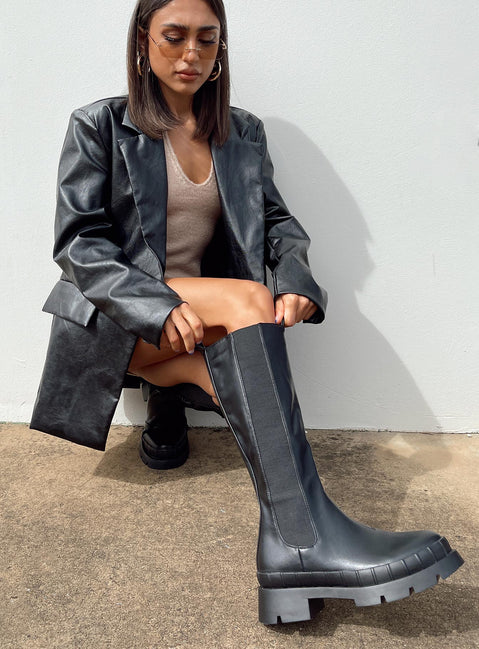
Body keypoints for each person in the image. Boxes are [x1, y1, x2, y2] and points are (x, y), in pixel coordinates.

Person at [31, 0, 463, 625]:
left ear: (221, 48)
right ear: (143, 41)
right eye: (174, 37)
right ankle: (305, 545)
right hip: (116, 320)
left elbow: (277, 222)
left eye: (206, 39)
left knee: (253, 398)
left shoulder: (242, 132)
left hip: (195, 327)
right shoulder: (99, 124)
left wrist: (295, 280)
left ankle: (294, 546)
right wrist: (155, 304)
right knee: (245, 299)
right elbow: (79, 244)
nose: (191, 54)